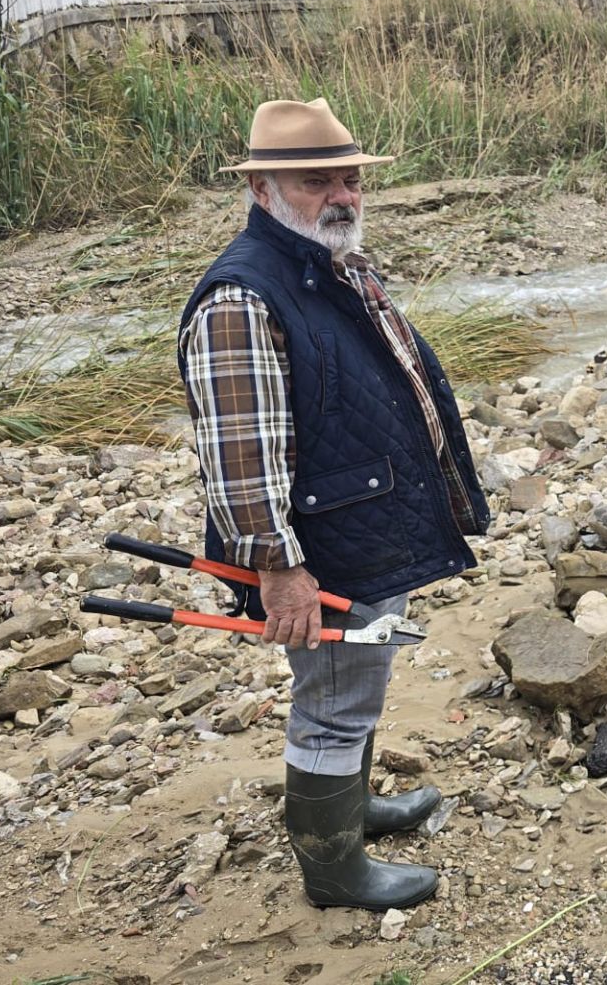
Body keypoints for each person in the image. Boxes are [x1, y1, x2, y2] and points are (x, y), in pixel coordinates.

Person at [177, 98, 489, 911]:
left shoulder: (330, 258)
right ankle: (333, 869)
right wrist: (279, 570)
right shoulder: (244, 296)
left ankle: (350, 811)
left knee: (360, 678)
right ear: (264, 188)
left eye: (350, 176)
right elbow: (241, 460)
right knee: (336, 698)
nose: (343, 193)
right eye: (318, 180)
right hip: (316, 547)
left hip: (361, 523)